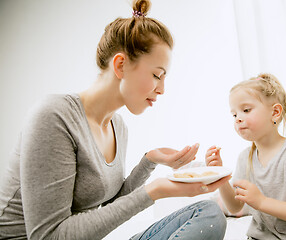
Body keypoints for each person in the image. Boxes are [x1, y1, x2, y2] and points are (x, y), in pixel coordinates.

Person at [0, 0, 229, 239]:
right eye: (156, 75)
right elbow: (48, 236)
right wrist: (155, 191)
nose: (162, 89)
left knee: (209, 212)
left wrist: (149, 161)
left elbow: (112, 207)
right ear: (120, 65)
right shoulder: (54, 117)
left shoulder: (117, 126)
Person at [205, 73, 286, 239]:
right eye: (234, 115)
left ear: (275, 112)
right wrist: (220, 176)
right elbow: (234, 206)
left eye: (246, 110)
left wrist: (262, 202)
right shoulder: (245, 157)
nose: (238, 119)